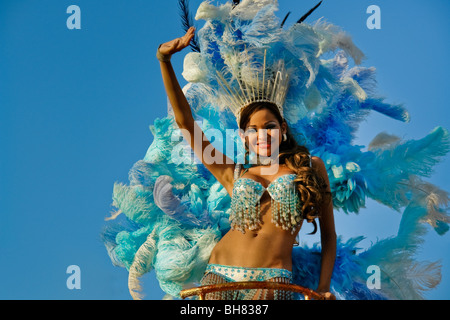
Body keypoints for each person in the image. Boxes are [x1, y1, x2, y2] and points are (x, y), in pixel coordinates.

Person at [157, 26, 337, 300]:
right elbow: (186, 124)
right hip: (217, 278)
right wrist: (164, 60)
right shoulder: (233, 172)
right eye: (253, 129)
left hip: (273, 284)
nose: (262, 135)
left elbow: (329, 237)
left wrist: (323, 289)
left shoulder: (310, 168)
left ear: (283, 129)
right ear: (244, 138)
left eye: (270, 127)